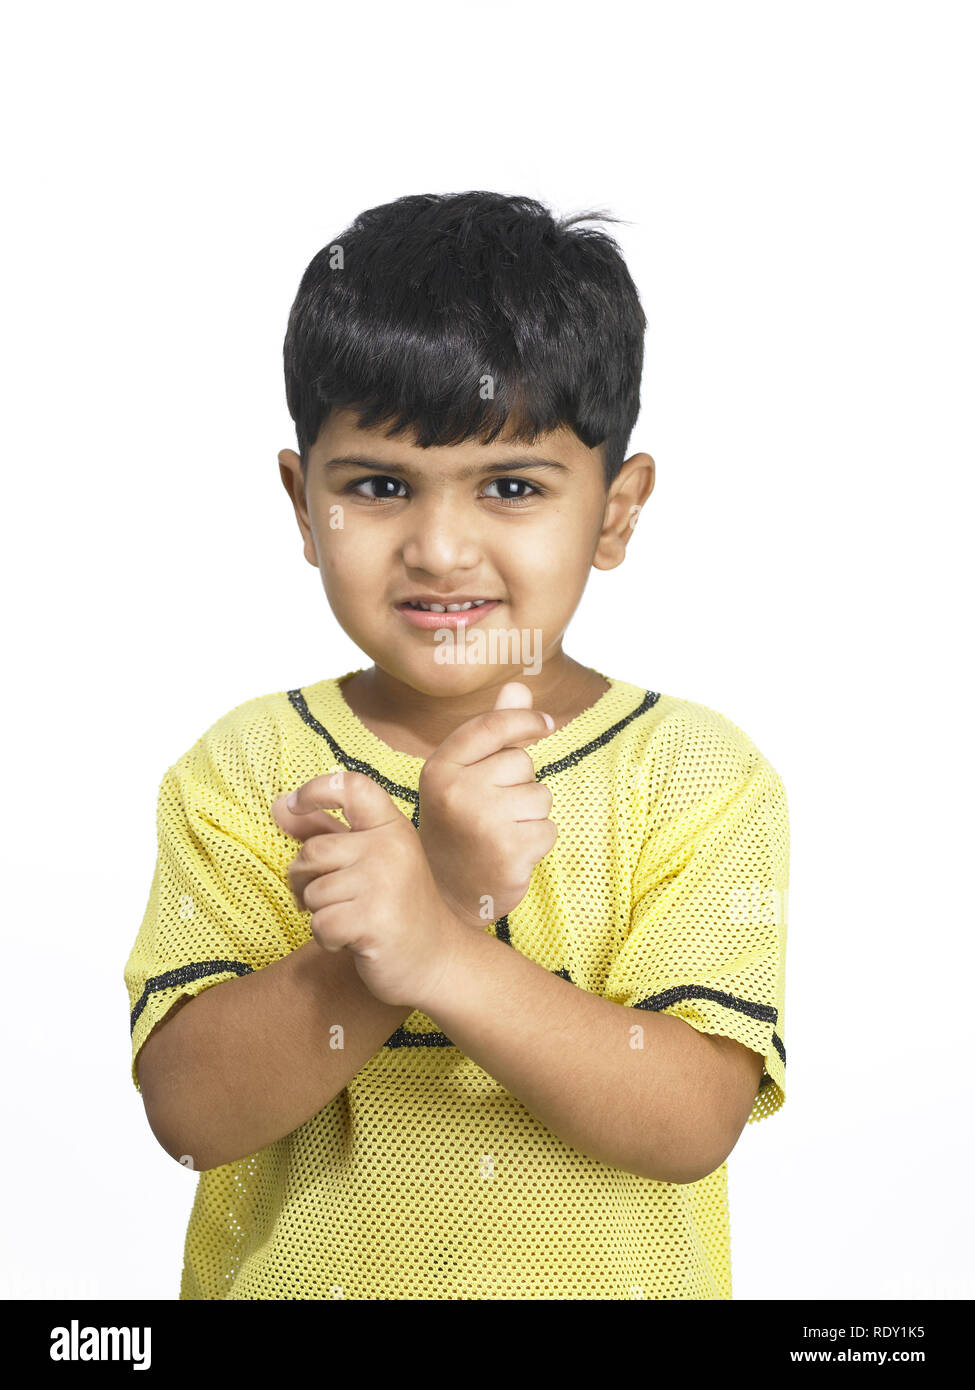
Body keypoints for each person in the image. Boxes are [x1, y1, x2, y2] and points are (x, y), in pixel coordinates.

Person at [124, 190, 789, 1300]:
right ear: (303, 505)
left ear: (616, 511)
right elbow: (191, 1114)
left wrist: (435, 939)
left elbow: (690, 1119)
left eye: (512, 487)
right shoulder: (246, 770)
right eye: (380, 486)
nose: (439, 547)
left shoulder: (698, 778)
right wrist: (428, 888)